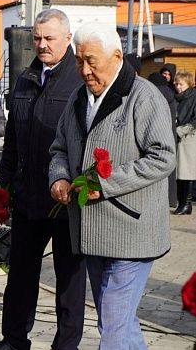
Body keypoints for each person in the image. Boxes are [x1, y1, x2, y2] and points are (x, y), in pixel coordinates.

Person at [49, 23, 175, 349]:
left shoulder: (144, 97)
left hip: (132, 230)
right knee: (115, 321)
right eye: (79, 61)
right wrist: (60, 177)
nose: (84, 70)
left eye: (92, 61)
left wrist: (105, 184)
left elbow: (163, 158)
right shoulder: (78, 97)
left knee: (114, 325)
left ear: (117, 56)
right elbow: (60, 147)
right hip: (92, 231)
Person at [0, 9, 86, 350]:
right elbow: (13, 141)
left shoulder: (79, 79)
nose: (42, 45)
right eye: (37, 38)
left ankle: (66, 344)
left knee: (69, 280)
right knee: (19, 276)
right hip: (28, 197)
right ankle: (14, 339)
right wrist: (4, 190)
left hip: (65, 201)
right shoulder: (25, 79)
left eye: (49, 38)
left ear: (67, 38)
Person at [148, 71, 179, 207]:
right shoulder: (171, 94)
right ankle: (171, 199)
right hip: (171, 136)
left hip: (156, 136)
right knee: (170, 170)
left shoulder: (153, 95)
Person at [173, 69, 196, 215]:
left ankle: (186, 203)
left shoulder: (193, 97)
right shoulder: (178, 98)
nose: (177, 86)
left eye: (180, 84)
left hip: (189, 138)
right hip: (178, 137)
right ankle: (182, 203)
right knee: (179, 172)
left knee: (186, 172)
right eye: (176, 84)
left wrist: (180, 130)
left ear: (188, 83)